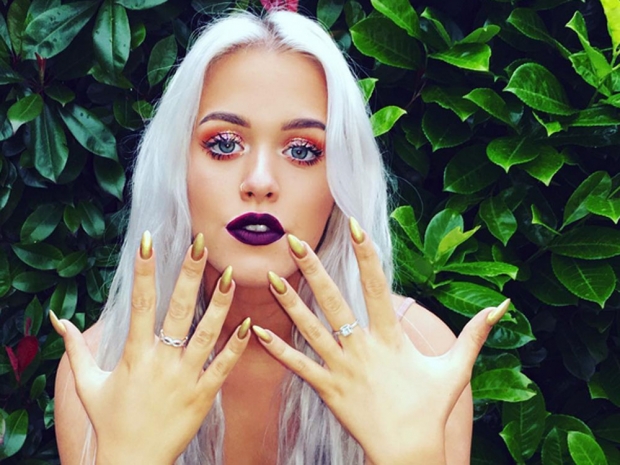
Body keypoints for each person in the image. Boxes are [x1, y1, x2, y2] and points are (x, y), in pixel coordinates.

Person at [51, 10, 510, 465]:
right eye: (224, 144)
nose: (260, 181)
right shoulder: (100, 371)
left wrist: (411, 456)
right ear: (175, 167)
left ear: (342, 181)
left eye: (303, 150)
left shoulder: (420, 354)